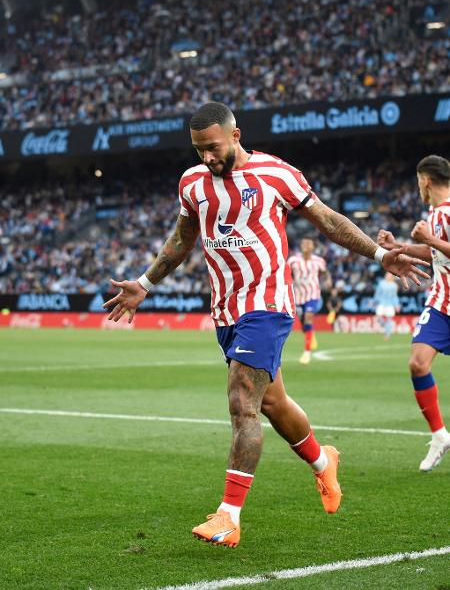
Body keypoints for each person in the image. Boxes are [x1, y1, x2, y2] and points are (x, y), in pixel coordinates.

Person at [104, 102, 429, 547]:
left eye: (214, 148)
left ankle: (229, 515)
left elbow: (328, 220)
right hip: (226, 311)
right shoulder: (192, 184)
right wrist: (144, 283)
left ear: (236, 135)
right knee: (273, 403)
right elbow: (182, 239)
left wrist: (377, 253)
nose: (207, 158)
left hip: (268, 305)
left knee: (242, 399)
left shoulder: (276, 173)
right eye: (199, 150)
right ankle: (323, 462)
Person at [378, 154, 450, 472]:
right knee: (418, 364)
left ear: (425, 180)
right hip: (441, 302)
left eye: (417, 181)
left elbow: (435, 243)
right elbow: (435, 252)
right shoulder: (434, 213)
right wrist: (403, 246)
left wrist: (429, 238)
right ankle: (439, 436)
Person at [288, 238, 332, 364]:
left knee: (308, 317)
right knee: (304, 323)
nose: (305, 245)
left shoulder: (319, 261)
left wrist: (328, 280)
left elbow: (325, 272)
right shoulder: (293, 260)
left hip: (313, 294)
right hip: (298, 295)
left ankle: (306, 352)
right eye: (303, 243)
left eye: (308, 243)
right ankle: (309, 332)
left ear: (313, 246)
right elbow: (286, 274)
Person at [373, 272, 400, 340]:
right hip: (381, 303)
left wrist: (397, 305)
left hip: (390, 305)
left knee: (389, 320)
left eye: (389, 275)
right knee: (379, 318)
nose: (387, 276)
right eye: (387, 275)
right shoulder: (381, 283)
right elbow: (378, 293)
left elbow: (394, 296)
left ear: (391, 277)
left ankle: (387, 335)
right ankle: (385, 326)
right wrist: (374, 301)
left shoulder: (394, 285)